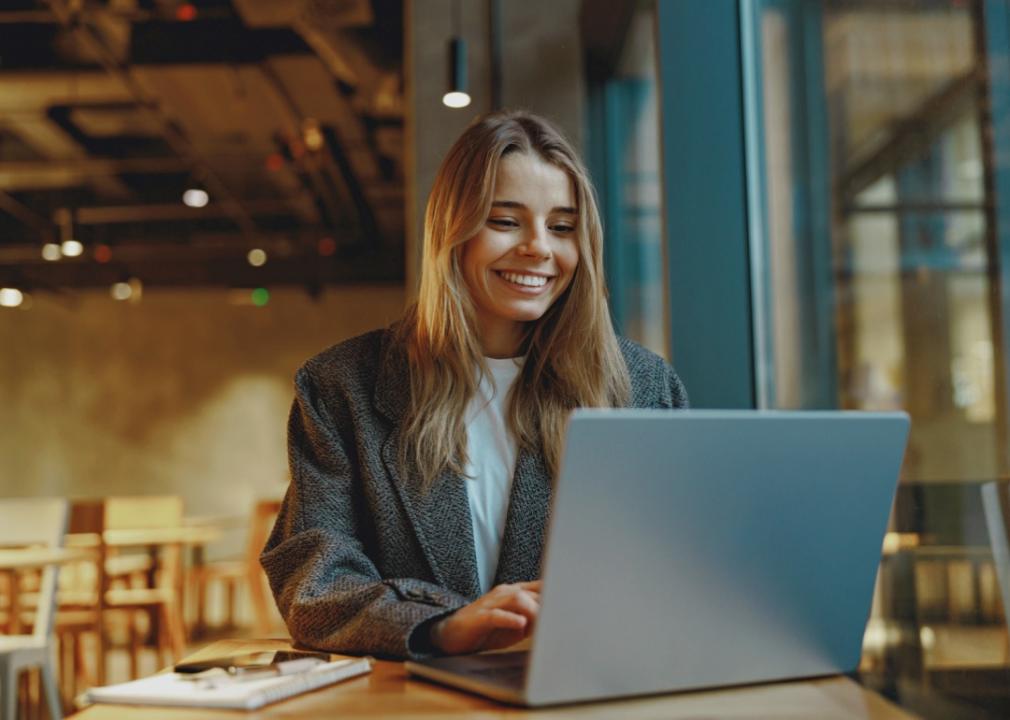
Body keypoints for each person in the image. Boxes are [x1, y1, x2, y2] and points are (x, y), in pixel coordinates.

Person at [261, 110, 688, 660]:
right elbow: (313, 580)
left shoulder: (645, 388)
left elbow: (677, 568)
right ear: (452, 231)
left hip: (589, 690)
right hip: (416, 703)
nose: (539, 248)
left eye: (561, 227)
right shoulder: (341, 387)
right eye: (506, 221)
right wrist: (440, 625)